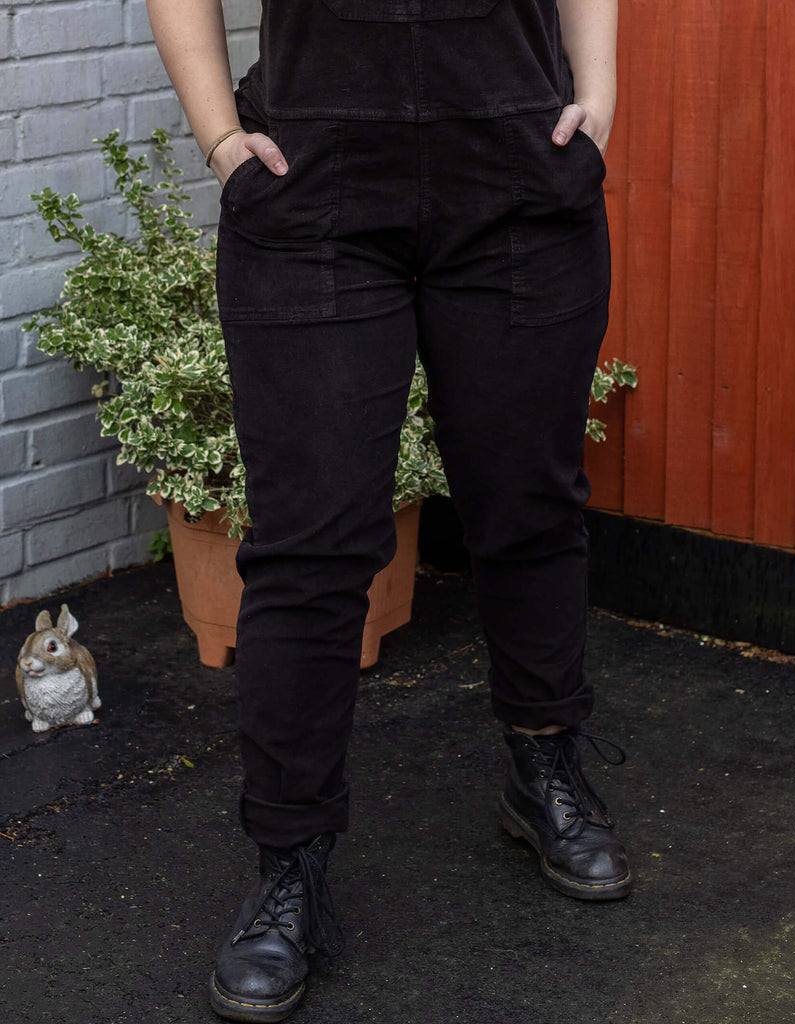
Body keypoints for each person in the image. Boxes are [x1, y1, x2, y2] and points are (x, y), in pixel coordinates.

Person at [145, 1, 629, 1020]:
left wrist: (597, 95)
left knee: (529, 507)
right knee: (310, 548)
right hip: (313, 192)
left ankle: (542, 768)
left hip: (518, 179)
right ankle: (289, 868)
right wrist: (221, 138)